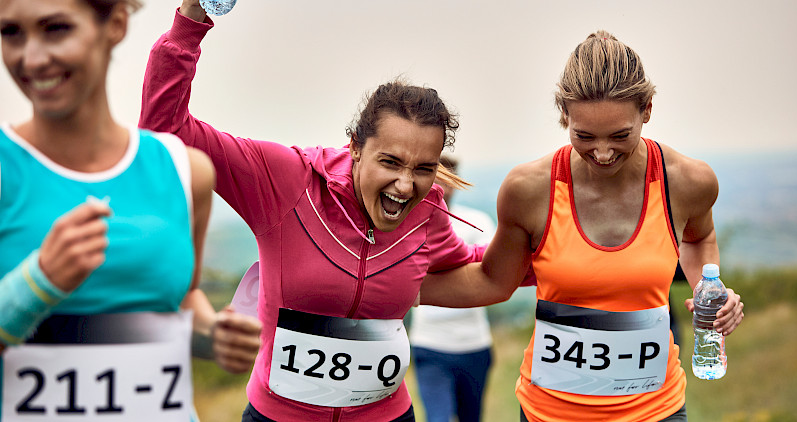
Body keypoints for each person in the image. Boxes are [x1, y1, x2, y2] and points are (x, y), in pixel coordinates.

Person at [138, 2, 495, 421]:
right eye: (391, 162)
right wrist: (190, 21)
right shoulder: (287, 179)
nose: (405, 185)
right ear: (356, 146)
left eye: (424, 169)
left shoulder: (427, 209)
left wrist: (556, 246)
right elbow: (166, 132)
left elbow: (470, 263)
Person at [420, 30, 745, 421]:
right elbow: (492, 281)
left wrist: (708, 286)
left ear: (648, 110)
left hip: (657, 410)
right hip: (550, 413)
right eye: (584, 135)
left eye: (620, 136)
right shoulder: (528, 189)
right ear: (564, 115)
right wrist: (379, 289)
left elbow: (700, 236)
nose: (603, 153)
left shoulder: (688, 181)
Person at [0, 0, 259, 420]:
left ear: (116, 24)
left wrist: (214, 337)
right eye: (11, 32)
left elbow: (179, 301)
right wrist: (38, 282)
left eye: (56, 29)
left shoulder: (185, 171)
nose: (31, 57)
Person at [408, 155, 495, 422]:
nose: (441, 189)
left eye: (447, 181)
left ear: (456, 183)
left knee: (472, 417)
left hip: (474, 344)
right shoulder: (407, 225)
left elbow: (494, 276)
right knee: (438, 418)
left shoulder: (477, 222)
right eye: (435, 180)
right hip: (429, 344)